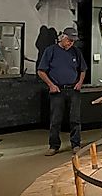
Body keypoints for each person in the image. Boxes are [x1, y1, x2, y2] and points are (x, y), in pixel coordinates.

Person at [37, 27, 87, 155]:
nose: (71, 43)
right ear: (63, 37)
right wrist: (51, 85)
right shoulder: (51, 51)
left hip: (73, 89)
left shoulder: (76, 52)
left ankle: (76, 144)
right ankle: (54, 145)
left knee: (75, 119)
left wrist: (80, 82)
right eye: (69, 40)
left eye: (73, 41)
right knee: (56, 119)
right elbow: (41, 71)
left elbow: (83, 69)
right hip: (57, 90)